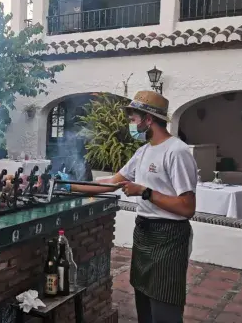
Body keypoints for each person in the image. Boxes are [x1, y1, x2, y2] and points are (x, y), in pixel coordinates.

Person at [69, 91, 197, 323]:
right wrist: (67, 186)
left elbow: (187, 207)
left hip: (169, 236)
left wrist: (145, 192)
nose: (131, 125)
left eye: (133, 119)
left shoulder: (176, 151)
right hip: (144, 232)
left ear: (148, 119)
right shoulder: (143, 152)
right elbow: (110, 183)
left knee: (164, 304)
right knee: (143, 300)